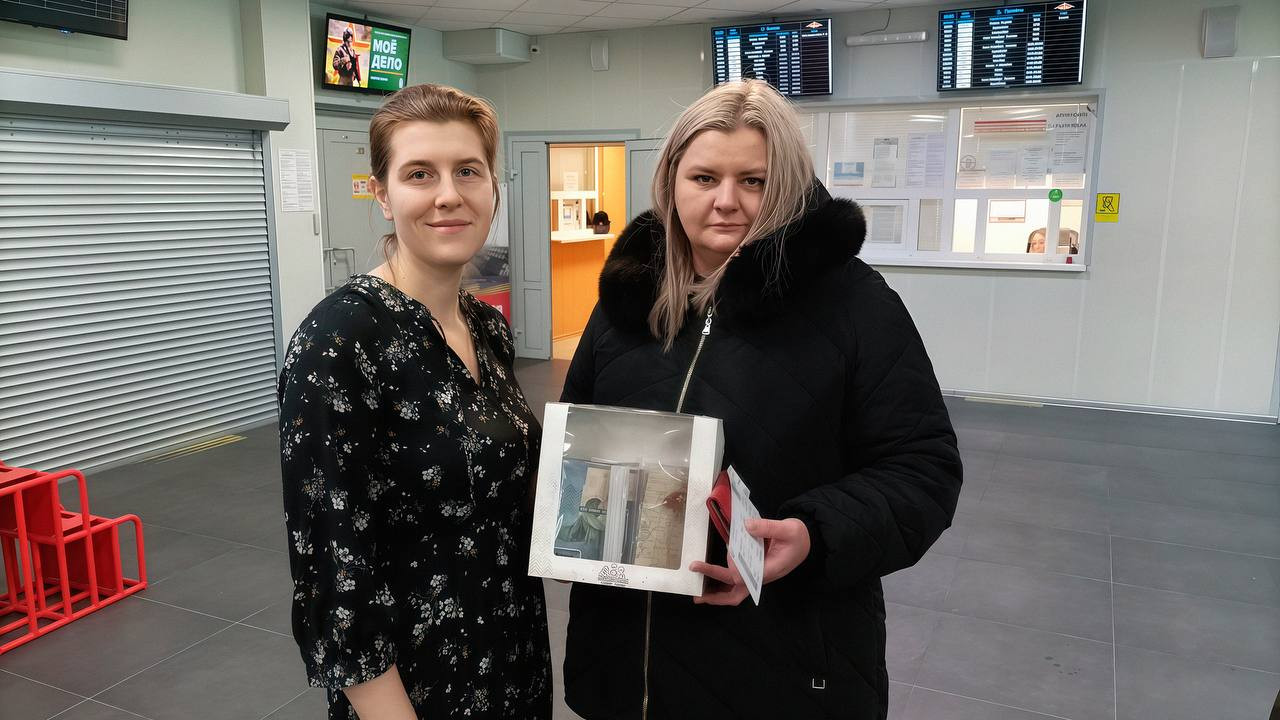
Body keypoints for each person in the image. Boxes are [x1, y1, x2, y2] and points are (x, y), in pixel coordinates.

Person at [559, 79, 962, 719]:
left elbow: (922, 468)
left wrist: (814, 533)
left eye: (754, 181)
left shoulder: (854, 305)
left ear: (789, 188)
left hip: (782, 664)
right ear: (670, 182)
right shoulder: (627, 302)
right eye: (704, 178)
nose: (726, 201)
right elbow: (578, 437)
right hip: (624, 663)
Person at [277, 83, 551, 720]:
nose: (448, 194)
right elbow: (333, 573)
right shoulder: (340, 340)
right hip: (417, 692)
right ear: (382, 194)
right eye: (419, 174)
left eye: (467, 171)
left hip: (513, 665)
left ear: (493, 189)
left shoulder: (486, 327)